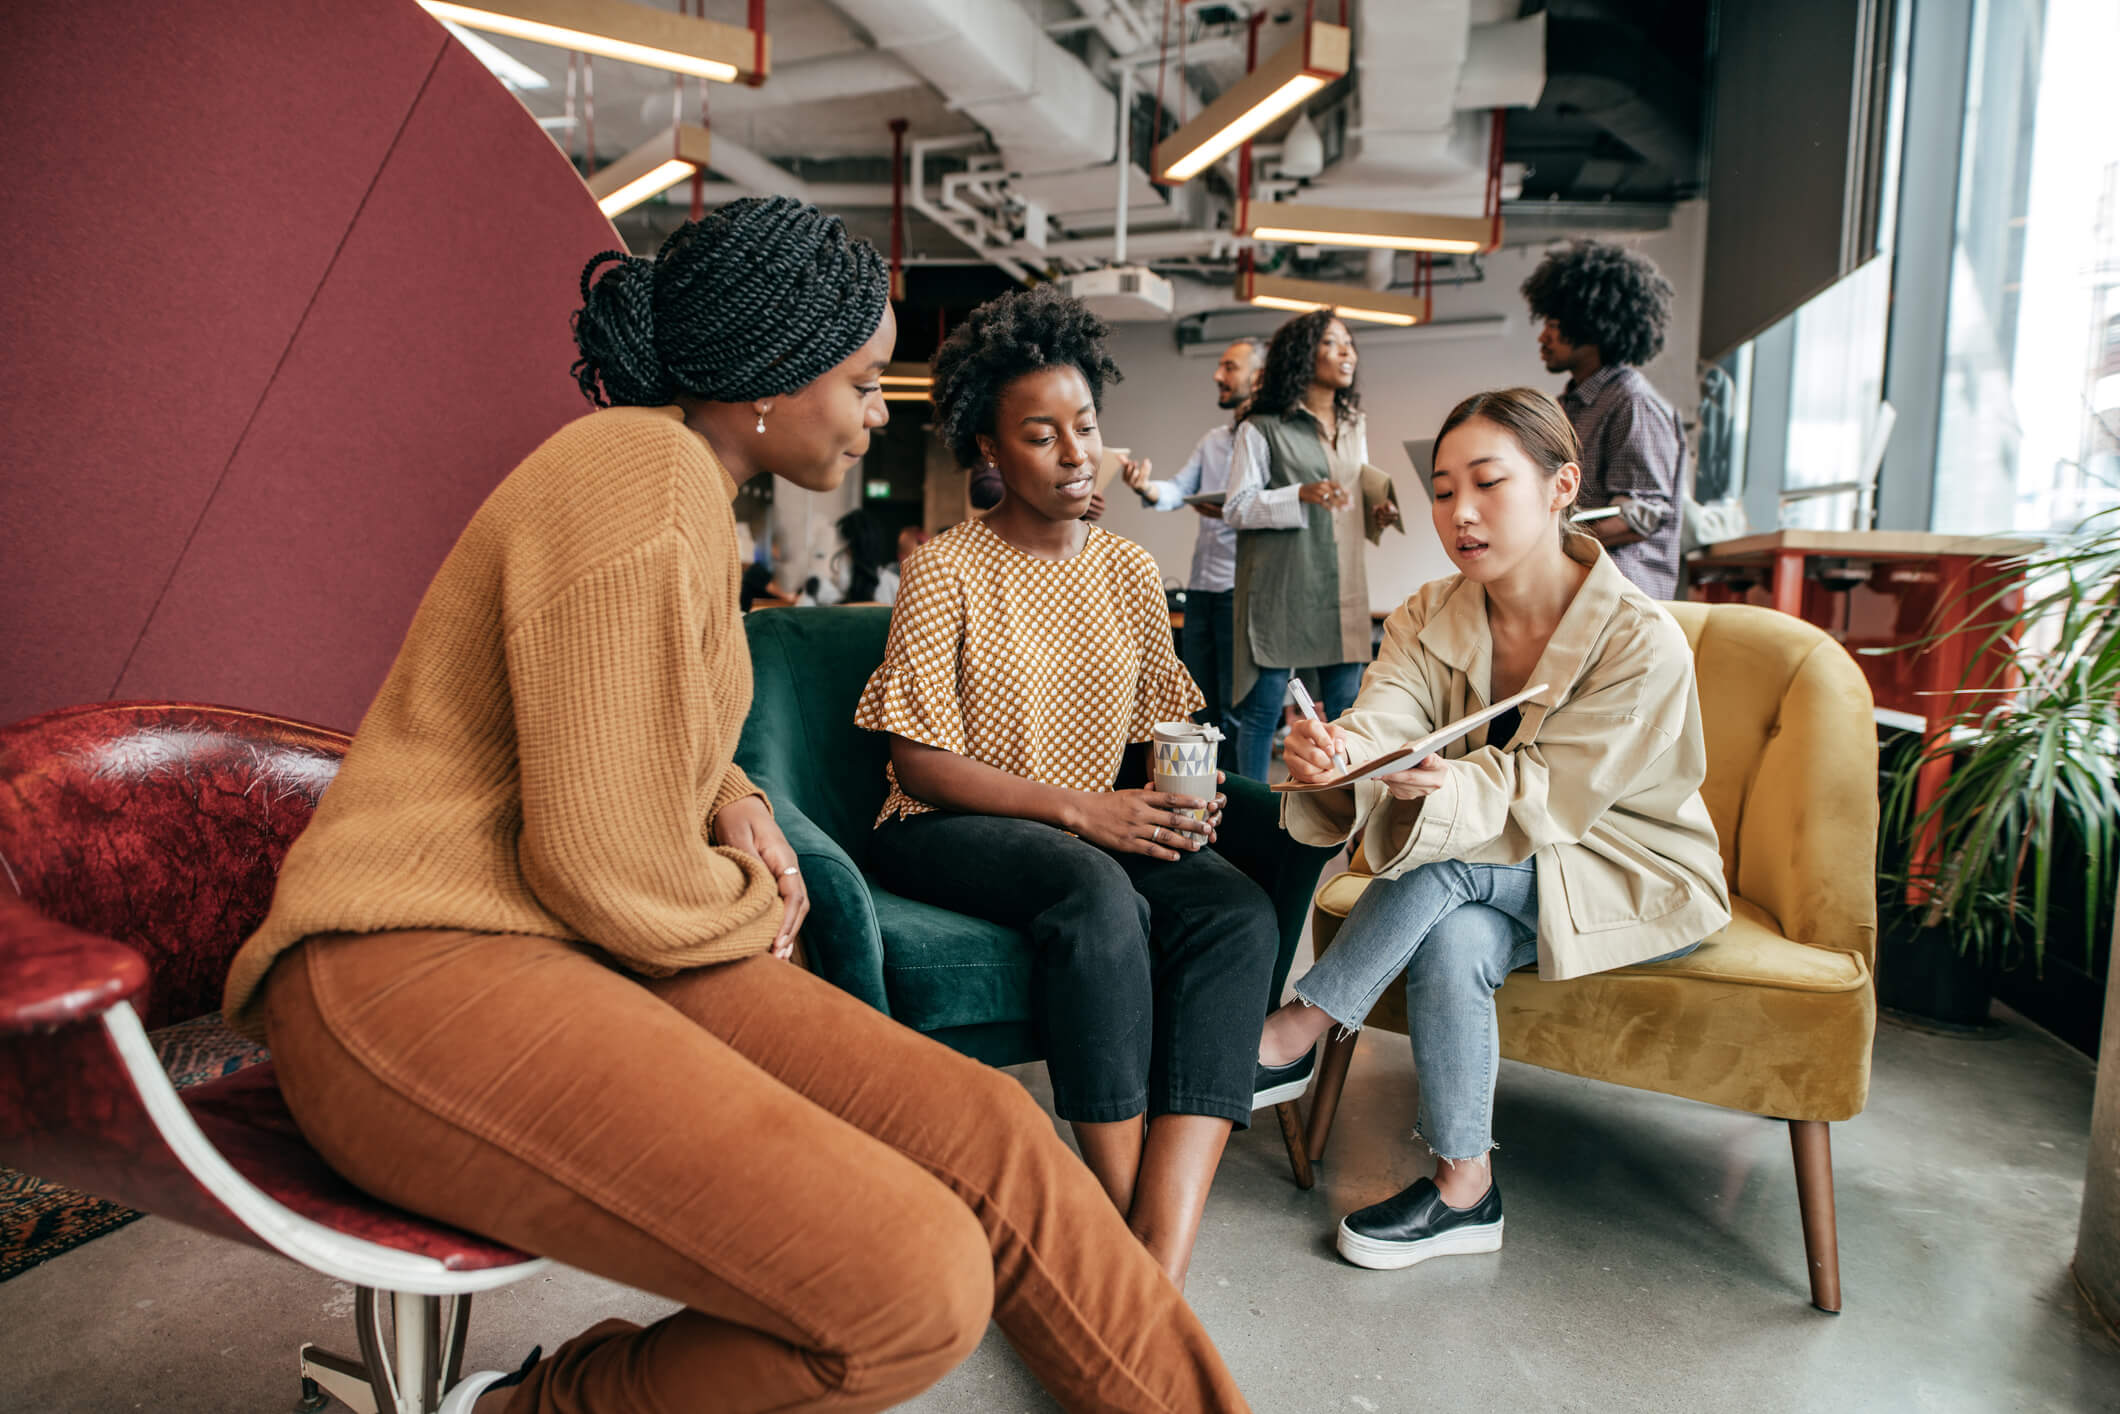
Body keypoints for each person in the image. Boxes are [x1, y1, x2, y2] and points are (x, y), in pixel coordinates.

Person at [220, 197, 1250, 1414]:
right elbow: (603, 863)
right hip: (409, 968)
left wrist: (733, 791)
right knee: (910, 1285)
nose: (880, 412)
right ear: (774, 375)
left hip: (571, 944)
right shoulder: (641, 474)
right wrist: (756, 896)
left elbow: (631, 708)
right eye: (866, 382)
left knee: (997, 1134)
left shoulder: (682, 490)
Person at [856, 285, 1284, 1292]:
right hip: (944, 822)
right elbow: (915, 761)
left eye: (1084, 425)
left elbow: (1158, 727)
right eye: (1039, 435)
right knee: (1095, 892)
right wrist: (1083, 811)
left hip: (1091, 822)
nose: (1073, 451)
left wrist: (1190, 794)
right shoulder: (945, 571)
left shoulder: (1131, 572)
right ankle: (1133, 1253)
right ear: (990, 455)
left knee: (1234, 910)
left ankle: (1150, 1258)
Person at [1255, 387, 1730, 1273]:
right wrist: (1338, 752)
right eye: (1440, 490)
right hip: (1504, 863)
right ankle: (1465, 1190)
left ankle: (1294, 1032)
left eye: (1487, 483)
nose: (1459, 512)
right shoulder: (1431, 611)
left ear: (1561, 487)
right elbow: (1387, 714)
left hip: (1631, 869)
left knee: (1447, 868)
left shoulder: (1642, 639)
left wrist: (1437, 794)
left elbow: (1552, 792)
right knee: (1457, 931)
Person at [1222, 310, 1401, 782]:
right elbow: (1236, 508)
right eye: (1332, 343)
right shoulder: (1259, 427)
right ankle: (1254, 819)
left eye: (1349, 344)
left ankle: (1344, 811)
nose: (1347, 353)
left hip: (1339, 586)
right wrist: (1298, 493)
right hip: (1281, 587)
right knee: (1263, 713)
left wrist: (1375, 510)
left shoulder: (1353, 423)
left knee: (1347, 713)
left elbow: (1348, 496)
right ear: (1303, 355)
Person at [1522, 239, 1690, 599]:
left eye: (1553, 323)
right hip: (1574, 590)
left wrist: (1548, 538)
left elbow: (1640, 517)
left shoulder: (1633, 405)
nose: (1543, 336)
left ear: (1592, 325)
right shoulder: (1566, 405)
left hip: (1621, 601)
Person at [1122, 336, 1266, 740]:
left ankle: (1235, 797)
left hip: (1242, 592)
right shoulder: (1213, 441)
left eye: (1230, 367)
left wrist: (1235, 510)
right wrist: (1146, 487)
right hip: (1202, 590)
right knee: (1201, 709)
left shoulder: (1269, 440)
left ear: (1258, 378)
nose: (1218, 374)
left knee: (1237, 713)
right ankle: (1204, 795)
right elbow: (1178, 490)